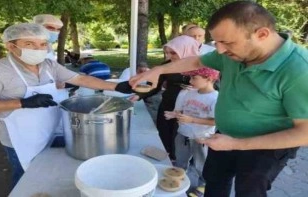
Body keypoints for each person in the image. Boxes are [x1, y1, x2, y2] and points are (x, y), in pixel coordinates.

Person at [130, 1, 308, 197]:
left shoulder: (299, 70)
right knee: (214, 180)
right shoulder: (231, 53)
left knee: (249, 191)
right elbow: (198, 60)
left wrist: (235, 144)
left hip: (266, 147)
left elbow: (305, 133)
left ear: (262, 34)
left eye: (228, 43)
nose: (220, 51)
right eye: (217, 43)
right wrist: (159, 70)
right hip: (224, 136)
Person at [0, 23, 132, 189]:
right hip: (20, 140)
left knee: (47, 176)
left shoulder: (48, 65)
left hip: (49, 132)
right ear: (11, 46)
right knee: (24, 180)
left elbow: (79, 79)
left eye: (42, 44)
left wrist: (116, 86)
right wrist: (22, 103)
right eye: (29, 44)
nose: (38, 49)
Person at [136, 35, 200, 161]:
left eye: (173, 53)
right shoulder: (166, 65)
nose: (169, 56)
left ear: (185, 50)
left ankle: (182, 163)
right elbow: (155, 86)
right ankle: (167, 161)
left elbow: (214, 87)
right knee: (165, 134)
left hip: (191, 108)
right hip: (167, 104)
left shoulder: (201, 66)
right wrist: (139, 95)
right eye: (167, 53)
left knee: (182, 139)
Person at [165, 67, 219, 197]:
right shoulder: (190, 93)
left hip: (201, 138)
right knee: (180, 161)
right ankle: (177, 180)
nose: (190, 81)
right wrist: (174, 114)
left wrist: (192, 120)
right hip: (183, 133)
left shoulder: (216, 98)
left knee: (201, 164)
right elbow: (184, 111)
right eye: (190, 77)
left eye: (194, 78)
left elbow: (215, 121)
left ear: (209, 79)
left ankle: (203, 185)